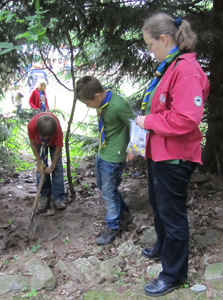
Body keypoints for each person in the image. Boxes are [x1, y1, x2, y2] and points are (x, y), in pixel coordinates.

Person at [134, 13, 209, 297]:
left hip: (175, 157)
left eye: (151, 44)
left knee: (172, 214)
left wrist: (148, 122)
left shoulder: (186, 69)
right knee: (158, 204)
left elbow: (187, 119)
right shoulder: (170, 66)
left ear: (164, 39)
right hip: (160, 152)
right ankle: (161, 249)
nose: (150, 50)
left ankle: (173, 274)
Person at [76, 76, 135, 246]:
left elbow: (135, 124)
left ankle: (113, 227)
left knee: (108, 193)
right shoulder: (102, 98)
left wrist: (133, 148)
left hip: (114, 157)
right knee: (104, 187)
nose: (88, 107)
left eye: (88, 103)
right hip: (103, 151)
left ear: (96, 96)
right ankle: (124, 213)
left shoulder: (118, 105)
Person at [28, 112, 66, 211]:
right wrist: (40, 162)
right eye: (43, 136)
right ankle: (44, 195)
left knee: (57, 168)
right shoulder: (32, 126)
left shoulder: (57, 129)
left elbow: (58, 147)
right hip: (38, 143)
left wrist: (52, 166)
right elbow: (33, 144)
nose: (45, 138)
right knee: (41, 170)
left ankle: (58, 197)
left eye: (47, 136)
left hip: (54, 144)